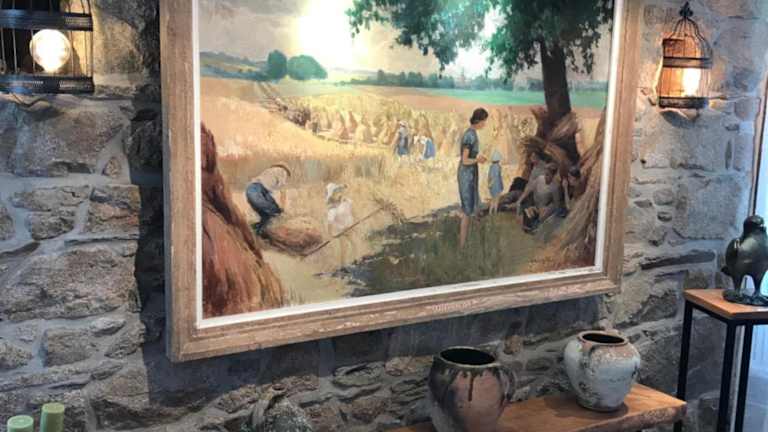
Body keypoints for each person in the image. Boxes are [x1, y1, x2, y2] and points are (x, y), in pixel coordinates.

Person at [458, 108, 489, 248]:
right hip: (466, 175)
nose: (485, 124)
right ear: (479, 120)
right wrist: (478, 160)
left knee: (473, 206)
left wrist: (477, 158)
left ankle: (474, 243)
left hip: (471, 173)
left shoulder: (473, 133)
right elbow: (464, 160)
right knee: (467, 210)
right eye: (484, 121)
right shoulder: (469, 135)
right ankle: (462, 246)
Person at [517, 163, 562, 232]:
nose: (545, 176)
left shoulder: (554, 187)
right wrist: (520, 199)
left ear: (553, 176)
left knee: (540, 217)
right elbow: (530, 189)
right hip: (534, 204)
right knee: (526, 214)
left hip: (543, 208)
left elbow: (556, 204)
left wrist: (547, 209)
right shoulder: (540, 179)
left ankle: (536, 225)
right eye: (545, 174)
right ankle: (529, 223)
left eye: (548, 175)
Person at [246, 165, 291, 234]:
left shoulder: (268, 171)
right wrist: (282, 207)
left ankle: (253, 229)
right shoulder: (283, 172)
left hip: (251, 190)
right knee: (276, 212)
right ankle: (259, 231)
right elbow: (283, 192)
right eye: (287, 178)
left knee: (266, 216)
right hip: (257, 190)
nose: (286, 180)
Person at [326, 183, 355, 267]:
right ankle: (343, 265)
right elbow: (330, 222)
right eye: (336, 193)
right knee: (344, 248)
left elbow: (352, 212)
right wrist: (331, 234)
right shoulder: (332, 208)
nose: (339, 194)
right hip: (341, 230)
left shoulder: (347, 202)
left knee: (354, 244)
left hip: (350, 227)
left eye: (340, 192)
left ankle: (355, 260)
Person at [488, 150, 504, 215]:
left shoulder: (491, 167)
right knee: (497, 199)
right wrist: (501, 185)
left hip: (492, 185)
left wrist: (489, 184)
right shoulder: (498, 167)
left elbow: (489, 176)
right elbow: (498, 177)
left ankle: (490, 212)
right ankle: (495, 212)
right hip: (497, 184)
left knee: (493, 199)